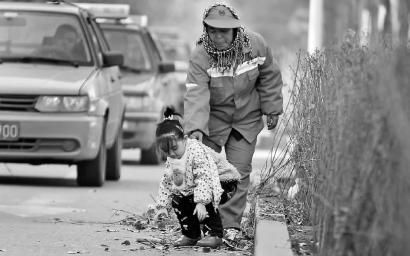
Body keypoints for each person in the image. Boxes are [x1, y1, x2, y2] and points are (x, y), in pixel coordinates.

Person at [184, 3, 284, 241]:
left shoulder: (256, 45)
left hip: (245, 120)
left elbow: (270, 76)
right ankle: (201, 226)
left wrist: (272, 109)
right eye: (212, 31)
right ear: (205, 30)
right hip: (213, 121)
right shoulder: (200, 55)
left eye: (224, 31)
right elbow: (196, 92)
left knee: (237, 174)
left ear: (236, 31)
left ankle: (230, 226)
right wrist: (195, 128)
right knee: (201, 173)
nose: (218, 37)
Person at [150, 107, 240, 248]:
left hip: (224, 181)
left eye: (174, 148)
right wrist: (162, 207)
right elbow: (167, 182)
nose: (171, 153)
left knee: (203, 196)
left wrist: (201, 202)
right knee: (179, 199)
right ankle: (191, 234)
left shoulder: (196, 151)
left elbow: (204, 177)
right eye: (166, 151)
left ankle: (214, 234)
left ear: (185, 139)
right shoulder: (172, 159)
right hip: (201, 184)